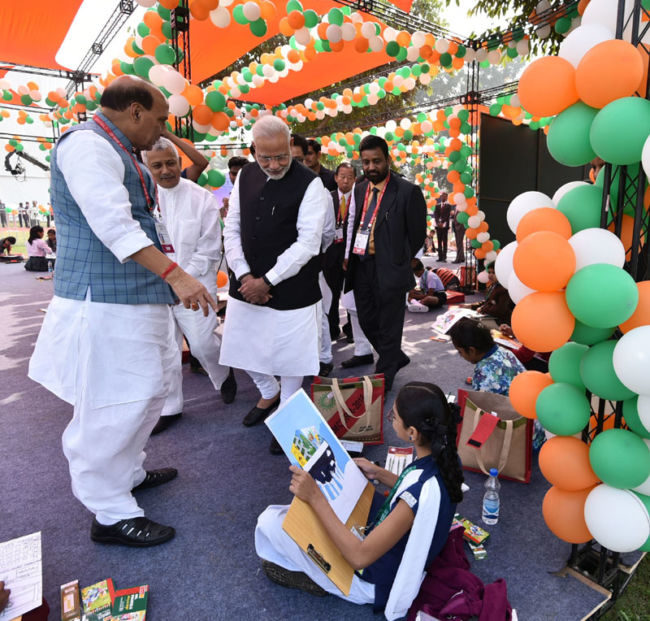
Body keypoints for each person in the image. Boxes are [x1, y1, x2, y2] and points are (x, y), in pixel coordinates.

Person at [29, 75, 217, 547]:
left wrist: (168, 280)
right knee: (113, 405)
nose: (160, 130)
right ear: (134, 111)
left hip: (136, 296)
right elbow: (113, 226)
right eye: (157, 119)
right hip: (107, 304)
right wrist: (177, 275)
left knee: (151, 390)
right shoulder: (87, 147)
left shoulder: (119, 148)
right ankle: (110, 513)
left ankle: (127, 473)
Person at [255, 382, 463, 614]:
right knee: (313, 511)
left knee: (272, 521)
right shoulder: (446, 460)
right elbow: (420, 492)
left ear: (412, 433)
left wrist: (316, 498)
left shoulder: (412, 499)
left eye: (392, 417)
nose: (390, 419)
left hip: (375, 580)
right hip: (395, 546)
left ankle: (324, 580)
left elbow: (358, 557)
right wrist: (380, 473)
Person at [220, 115, 327, 453]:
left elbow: (308, 243)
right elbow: (232, 227)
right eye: (266, 157)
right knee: (242, 347)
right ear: (253, 152)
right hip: (246, 283)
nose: (275, 164)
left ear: (289, 146)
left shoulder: (311, 184)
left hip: (293, 288)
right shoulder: (246, 175)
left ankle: (287, 417)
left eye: (282, 156)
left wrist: (268, 280)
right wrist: (243, 275)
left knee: (292, 361)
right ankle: (268, 393)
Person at [143, 137, 238, 435]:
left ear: (180, 163)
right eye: (157, 165)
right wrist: (166, 280)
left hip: (196, 283)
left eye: (171, 163)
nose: (165, 170)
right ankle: (171, 407)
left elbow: (209, 250)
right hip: (153, 286)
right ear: (147, 167)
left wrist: (180, 281)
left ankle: (224, 374)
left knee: (201, 344)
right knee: (165, 349)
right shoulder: (142, 199)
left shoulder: (201, 198)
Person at [344, 135, 427, 391]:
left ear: (388, 160)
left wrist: (398, 257)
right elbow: (356, 222)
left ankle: (383, 377)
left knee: (390, 325)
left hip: (390, 267)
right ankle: (395, 357)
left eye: (376, 161)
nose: (371, 167)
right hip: (362, 265)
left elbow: (416, 234)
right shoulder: (359, 188)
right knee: (367, 319)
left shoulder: (406, 191)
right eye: (366, 162)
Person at [448, 318, 524, 395]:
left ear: (472, 350)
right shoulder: (506, 352)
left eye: (460, 352)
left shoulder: (482, 376)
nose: (460, 355)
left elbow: (481, 404)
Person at [324, 162, 356, 341]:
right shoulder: (327, 198)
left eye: (349, 177)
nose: (345, 181)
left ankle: (352, 329)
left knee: (351, 292)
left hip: (351, 254)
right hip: (331, 254)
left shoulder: (359, 198)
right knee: (332, 292)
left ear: (355, 180)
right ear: (335, 178)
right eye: (342, 177)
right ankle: (332, 327)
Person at [433, 192, 451, 262]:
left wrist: (442, 222)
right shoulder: (437, 206)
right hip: (438, 226)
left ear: (446, 198)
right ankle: (440, 257)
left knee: (445, 241)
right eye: (442, 196)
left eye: (445, 196)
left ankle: (444, 257)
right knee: (439, 241)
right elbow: (435, 214)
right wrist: (438, 222)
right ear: (441, 197)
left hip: (445, 226)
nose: (443, 197)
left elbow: (447, 215)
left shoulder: (448, 206)